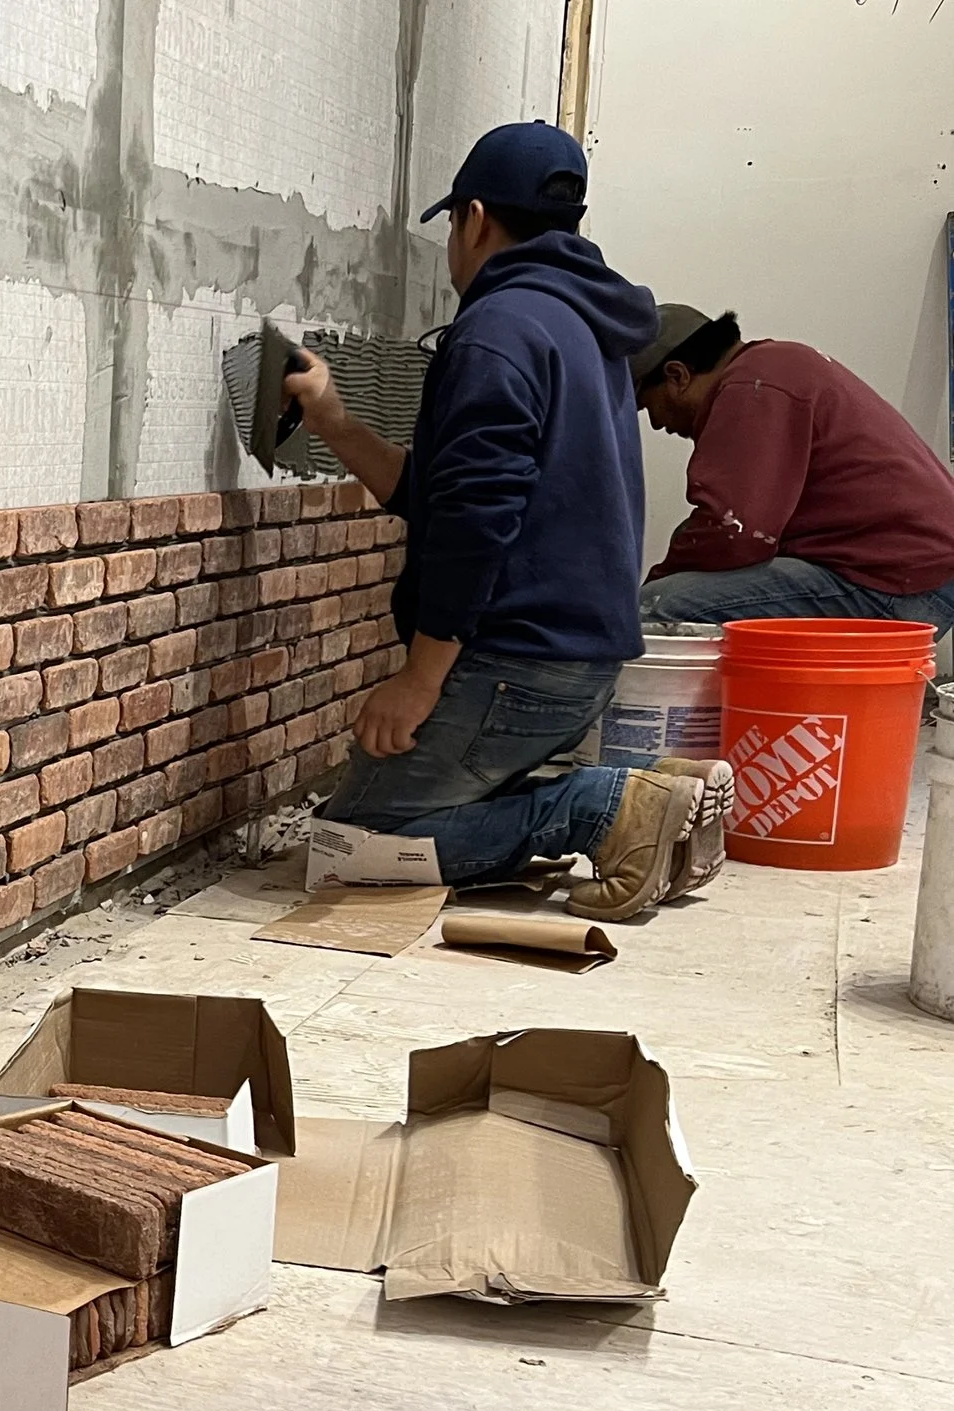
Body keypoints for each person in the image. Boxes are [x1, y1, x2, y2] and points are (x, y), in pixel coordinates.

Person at [289, 122, 723, 917]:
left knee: (352, 843)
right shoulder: (583, 325)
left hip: (514, 665)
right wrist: (335, 423)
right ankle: (657, 798)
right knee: (428, 807)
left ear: (475, 218)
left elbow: (473, 519)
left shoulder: (497, 329)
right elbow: (443, 490)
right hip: (579, 662)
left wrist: (420, 679)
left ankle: (605, 809)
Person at [633, 305, 954, 649]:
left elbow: (735, 533)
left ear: (677, 375)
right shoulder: (778, 365)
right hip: (912, 571)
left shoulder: (751, 386)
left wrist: (649, 586)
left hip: (892, 583)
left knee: (651, 610)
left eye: (648, 404)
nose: (656, 423)